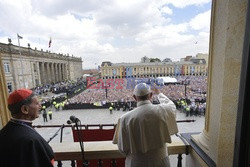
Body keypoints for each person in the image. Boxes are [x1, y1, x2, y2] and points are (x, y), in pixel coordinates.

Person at [113, 83, 178, 167]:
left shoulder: (125, 119)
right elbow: (171, 106)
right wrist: (159, 93)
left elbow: (122, 148)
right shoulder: (163, 110)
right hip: (161, 162)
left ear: (134, 97)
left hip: (136, 163)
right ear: (151, 95)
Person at [0, 89, 54, 167]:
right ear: (25, 109)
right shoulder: (31, 140)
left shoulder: (3, 132)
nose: (40, 106)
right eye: (37, 103)